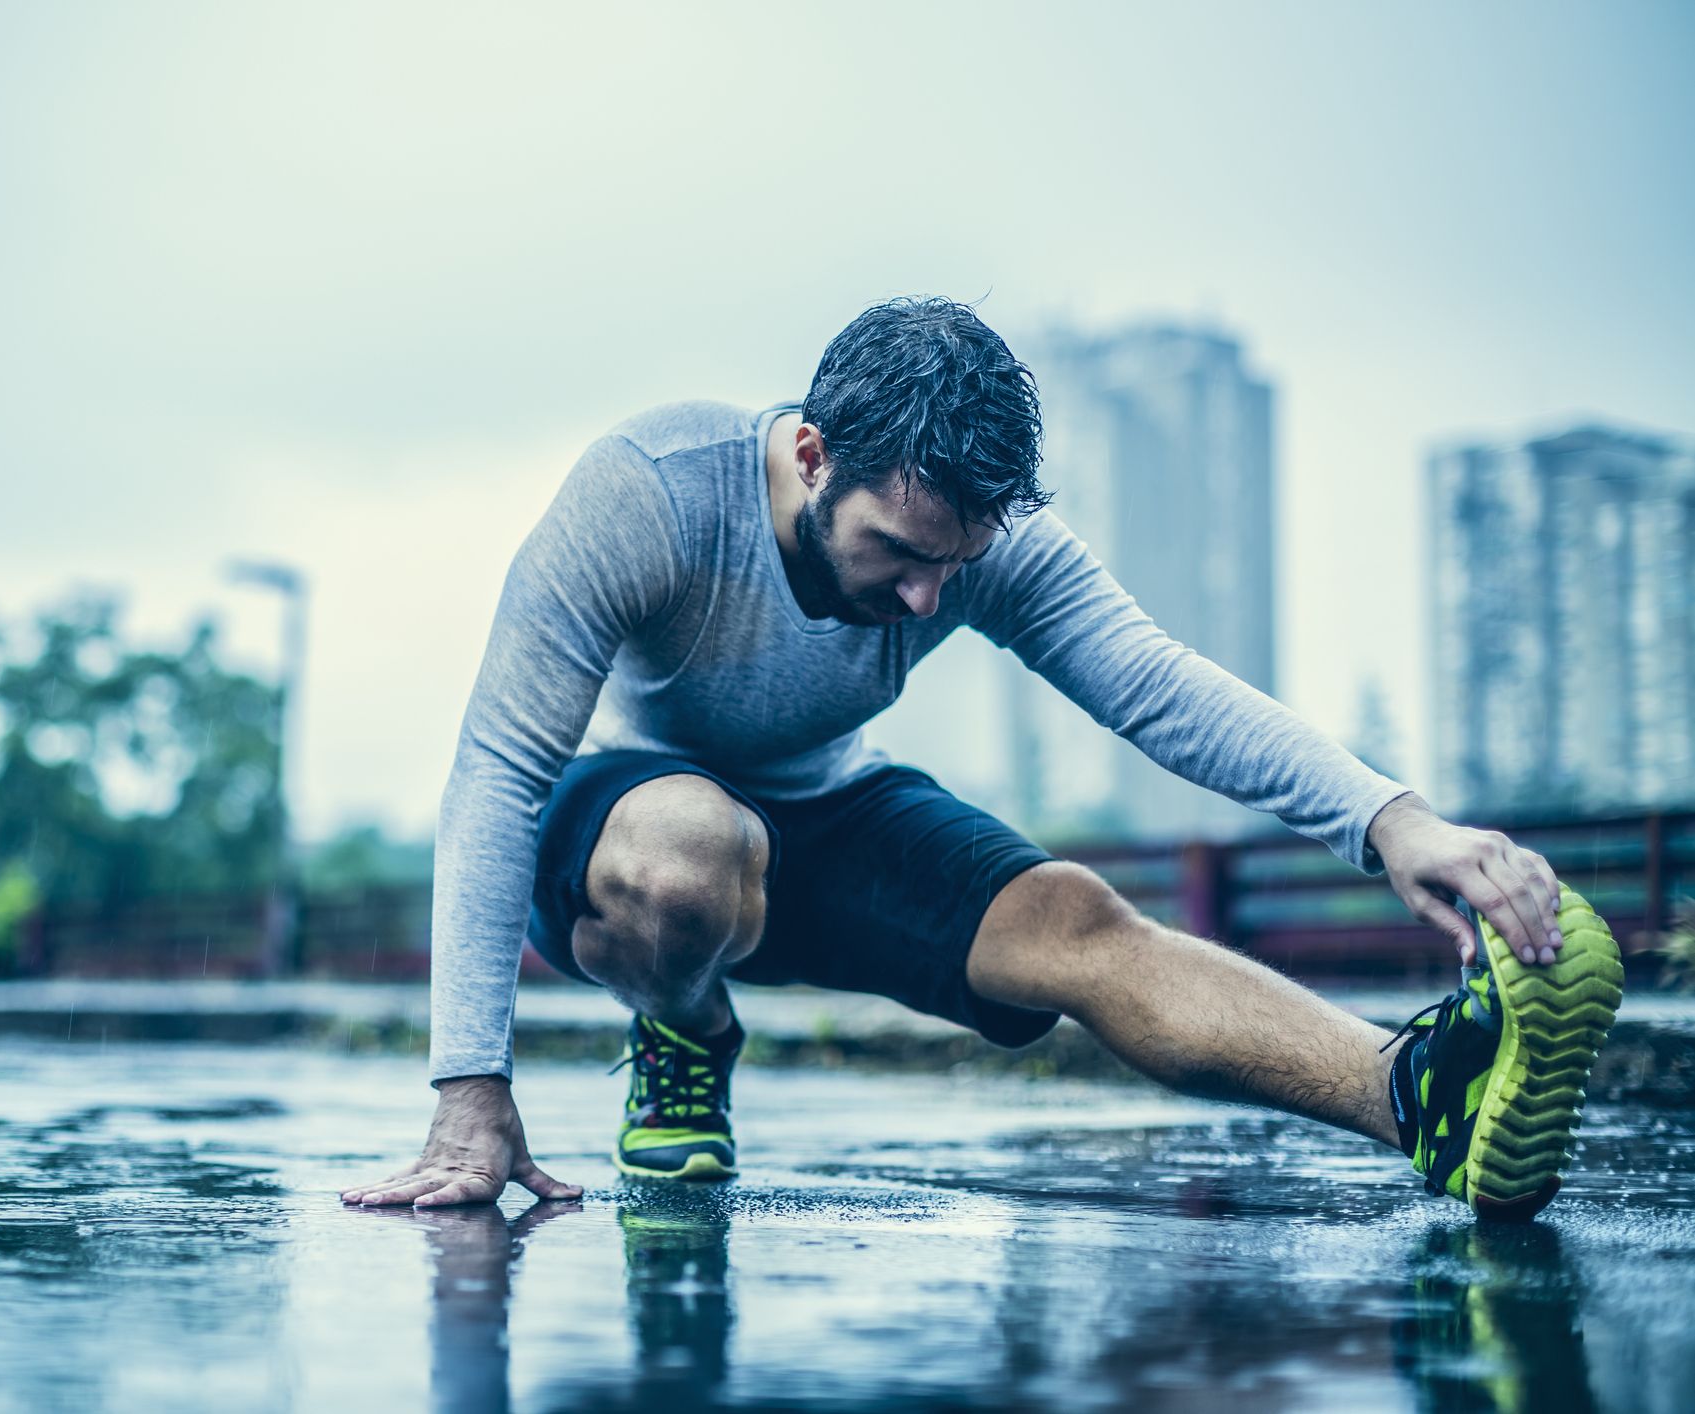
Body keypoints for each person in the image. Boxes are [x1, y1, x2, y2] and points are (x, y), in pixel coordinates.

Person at [340, 297, 1624, 1221]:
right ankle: (686, 1036)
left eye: (951, 566)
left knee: (1076, 917)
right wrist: (470, 1090)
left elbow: (1159, 686)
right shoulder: (651, 493)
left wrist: (1391, 819)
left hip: (832, 806)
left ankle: (1421, 1099)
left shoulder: (971, 542)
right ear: (808, 456)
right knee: (693, 848)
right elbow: (500, 767)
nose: (923, 601)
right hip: (630, 827)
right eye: (898, 553)